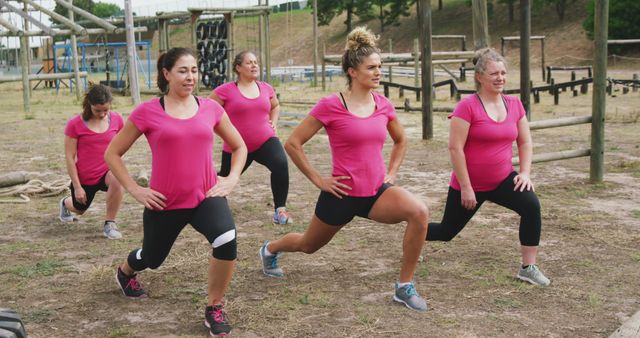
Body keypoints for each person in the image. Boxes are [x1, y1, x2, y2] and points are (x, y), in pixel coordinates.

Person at [259, 27, 430, 312]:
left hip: (376, 193)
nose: (378, 73)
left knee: (419, 212)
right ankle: (271, 249)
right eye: (371, 68)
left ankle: (404, 286)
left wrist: (392, 173)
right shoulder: (331, 105)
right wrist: (319, 180)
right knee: (307, 245)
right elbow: (293, 144)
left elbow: (400, 140)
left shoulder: (383, 105)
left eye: (380, 67)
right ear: (352, 71)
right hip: (341, 194)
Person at [104, 47, 247, 336]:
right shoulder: (147, 111)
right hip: (165, 202)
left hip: (205, 196)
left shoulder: (211, 108)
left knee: (226, 239)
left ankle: (214, 307)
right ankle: (126, 271)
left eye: (194, 70)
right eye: (183, 71)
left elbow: (240, 146)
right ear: (166, 74)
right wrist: (135, 190)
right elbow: (112, 153)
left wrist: (231, 178)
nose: (190, 76)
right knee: (153, 259)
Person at [425, 48, 551, 286]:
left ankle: (528, 267)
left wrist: (524, 173)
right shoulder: (467, 106)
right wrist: (466, 187)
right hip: (470, 184)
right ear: (479, 77)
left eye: (503, 73)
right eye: (494, 73)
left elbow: (525, 142)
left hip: (503, 179)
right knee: (446, 232)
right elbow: (455, 149)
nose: (500, 78)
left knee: (531, 206)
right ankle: (414, 236)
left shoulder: (514, 104)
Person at [209, 51, 291, 225]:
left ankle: (280, 210)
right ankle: (205, 206)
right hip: (236, 147)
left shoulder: (266, 88)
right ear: (238, 68)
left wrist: (273, 122)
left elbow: (275, 106)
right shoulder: (225, 91)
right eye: (249, 63)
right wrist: (223, 132)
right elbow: (208, 112)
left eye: (256, 62)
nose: (254, 65)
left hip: (265, 141)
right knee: (223, 179)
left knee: (281, 164)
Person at [60, 83, 125, 239]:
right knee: (79, 209)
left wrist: (117, 163)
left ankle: (110, 223)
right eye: (98, 110)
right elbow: (70, 157)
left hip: (106, 172)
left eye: (106, 110)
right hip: (85, 178)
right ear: (89, 105)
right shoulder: (75, 124)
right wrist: (77, 187)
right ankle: (64, 203)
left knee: (118, 179)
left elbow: (121, 145)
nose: (102, 114)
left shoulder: (117, 119)